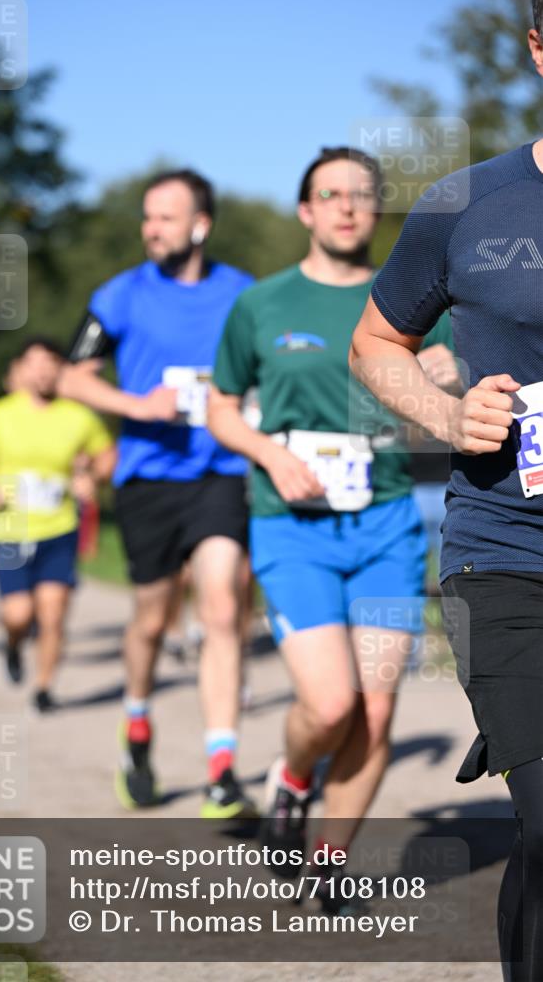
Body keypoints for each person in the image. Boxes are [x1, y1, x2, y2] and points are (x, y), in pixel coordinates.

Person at [349, 0, 543, 976]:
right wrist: (446, 413)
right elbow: (376, 343)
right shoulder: (466, 204)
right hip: (505, 554)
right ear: (538, 49)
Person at [208, 146, 458, 905]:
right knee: (330, 704)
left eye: (360, 194)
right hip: (293, 525)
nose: (347, 207)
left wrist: (444, 382)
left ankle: (326, 862)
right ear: (305, 211)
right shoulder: (262, 304)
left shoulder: (415, 303)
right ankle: (291, 780)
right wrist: (268, 454)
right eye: (330, 194)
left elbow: (455, 405)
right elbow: (220, 407)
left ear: (376, 211)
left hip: (385, 522)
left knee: (375, 711)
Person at [58, 168, 256, 816]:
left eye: (165, 217)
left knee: (221, 606)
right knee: (150, 619)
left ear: (200, 225)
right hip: (146, 477)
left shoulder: (242, 292)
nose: (151, 228)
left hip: (220, 472)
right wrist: (137, 405)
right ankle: (137, 722)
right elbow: (71, 377)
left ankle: (221, 770)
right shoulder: (120, 294)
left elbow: (271, 365)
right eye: (147, 217)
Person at [0, 336, 113, 713]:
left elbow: (106, 456)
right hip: (9, 527)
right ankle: (12, 645)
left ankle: (44, 687)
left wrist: (93, 478)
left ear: (60, 369)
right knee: (18, 612)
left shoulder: (78, 416)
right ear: (21, 369)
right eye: (34, 363)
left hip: (58, 526)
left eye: (51, 363)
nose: (42, 371)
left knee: (53, 613)